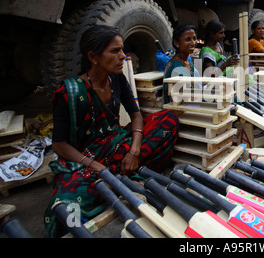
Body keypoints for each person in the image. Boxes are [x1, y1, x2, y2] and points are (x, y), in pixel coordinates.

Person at [44, 25, 180, 237]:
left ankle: (119, 174)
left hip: (118, 145)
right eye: (115, 51)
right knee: (66, 205)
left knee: (168, 119)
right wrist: (96, 166)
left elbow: (136, 115)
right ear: (93, 56)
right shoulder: (69, 92)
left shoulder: (116, 79)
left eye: (122, 50)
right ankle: (119, 175)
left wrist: (133, 151)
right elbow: (59, 144)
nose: (123, 57)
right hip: (87, 159)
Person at [163, 24, 201, 104]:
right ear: (176, 42)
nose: (193, 43)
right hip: (180, 108)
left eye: (194, 38)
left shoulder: (188, 62)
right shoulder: (175, 65)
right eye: (188, 39)